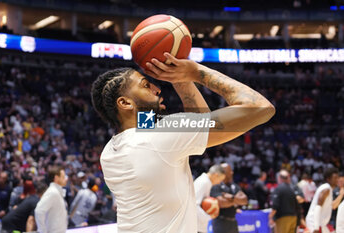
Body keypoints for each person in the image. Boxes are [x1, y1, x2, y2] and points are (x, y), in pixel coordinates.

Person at [91, 53, 275, 232]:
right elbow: (260, 108)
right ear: (125, 103)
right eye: (146, 85)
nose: (156, 88)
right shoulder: (161, 135)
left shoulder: (110, 151)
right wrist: (195, 72)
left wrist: (179, 79)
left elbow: (200, 124)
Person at [210, 163, 248, 233]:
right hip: (220, 222)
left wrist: (231, 197)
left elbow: (244, 200)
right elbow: (221, 203)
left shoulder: (234, 186)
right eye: (230, 171)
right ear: (224, 172)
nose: (232, 172)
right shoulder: (216, 185)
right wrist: (236, 201)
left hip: (233, 222)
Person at [35, 166, 68, 233]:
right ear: (56, 178)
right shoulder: (53, 192)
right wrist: (42, 231)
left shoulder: (57, 192)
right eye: (63, 177)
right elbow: (39, 211)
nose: (66, 179)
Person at [306, 167, 339, 233]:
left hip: (321, 223)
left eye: (337, 178)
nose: (337, 180)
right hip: (315, 223)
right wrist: (316, 227)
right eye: (335, 178)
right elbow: (318, 207)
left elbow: (333, 206)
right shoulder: (326, 189)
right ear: (328, 179)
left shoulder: (328, 189)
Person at [194, 164, 226, 233]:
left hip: (199, 226)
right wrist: (209, 217)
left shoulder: (206, 181)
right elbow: (194, 205)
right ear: (216, 175)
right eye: (220, 180)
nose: (219, 182)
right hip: (196, 226)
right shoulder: (203, 182)